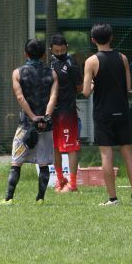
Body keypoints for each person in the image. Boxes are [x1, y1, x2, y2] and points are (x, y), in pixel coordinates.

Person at [82, 23, 132, 206]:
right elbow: (128, 87)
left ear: (93, 40)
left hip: (103, 113)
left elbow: (85, 91)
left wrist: (93, 85)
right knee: (128, 152)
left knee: (106, 155)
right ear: (111, 37)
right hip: (122, 110)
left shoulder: (91, 61)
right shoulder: (123, 58)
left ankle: (113, 198)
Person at [0, 39, 58, 205]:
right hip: (45, 126)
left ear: (26, 54)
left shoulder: (18, 73)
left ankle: (9, 198)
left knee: (16, 163)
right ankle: (40, 199)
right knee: (44, 164)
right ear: (44, 55)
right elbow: (53, 97)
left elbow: (20, 97)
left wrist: (32, 116)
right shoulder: (52, 73)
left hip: (26, 124)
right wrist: (45, 117)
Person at [49, 34, 83, 192]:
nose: (59, 53)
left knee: (70, 147)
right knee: (55, 147)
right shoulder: (49, 63)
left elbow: (79, 87)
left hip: (67, 112)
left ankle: (73, 184)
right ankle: (60, 180)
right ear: (51, 49)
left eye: (62, 50)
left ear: (67, 47)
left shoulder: (71, 63)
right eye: (56, 51)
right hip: (52, 112)